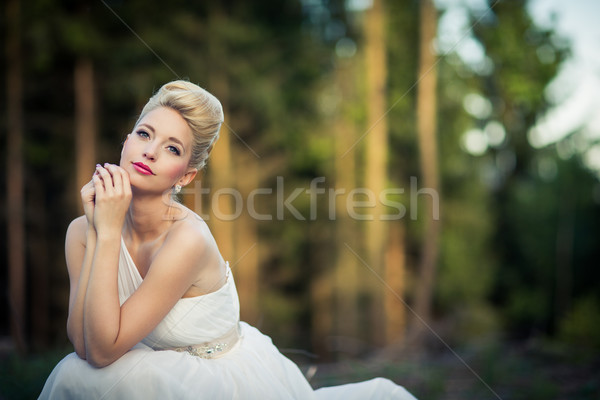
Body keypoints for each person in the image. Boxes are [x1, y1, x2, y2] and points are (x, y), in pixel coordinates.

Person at [39, 80, 417, 399]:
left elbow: (102, 353)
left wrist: (106, 234)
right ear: (126, 142)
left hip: (217, 379)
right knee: (73, 369)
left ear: (185, 177)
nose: (150, 151)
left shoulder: (188, 239)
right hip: (147, 368)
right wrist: (100, 230)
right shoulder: (81, 230)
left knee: (77, 376)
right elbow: (85, 344)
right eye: (144, 134)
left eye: (172, 148)